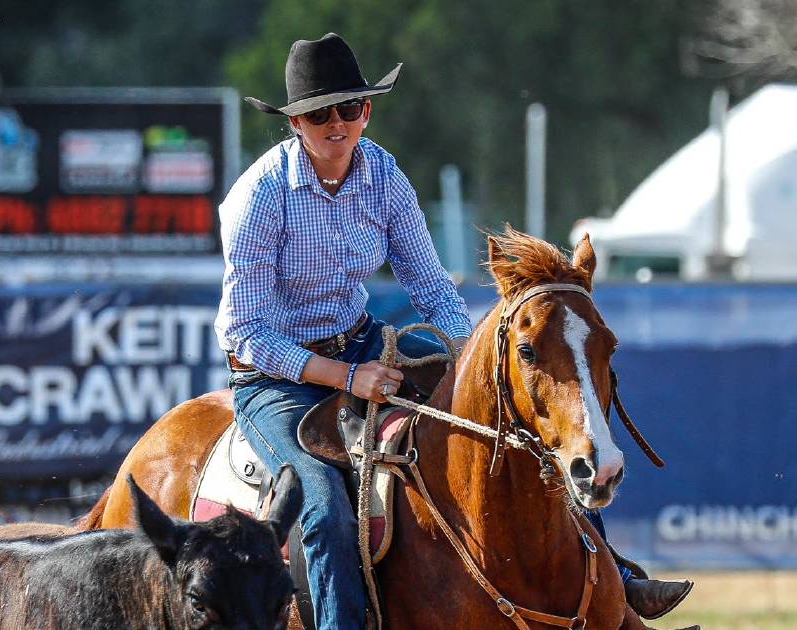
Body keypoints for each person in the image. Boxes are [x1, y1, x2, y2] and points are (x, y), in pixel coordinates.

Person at [214, 33, 689, 630]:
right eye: (318, 113)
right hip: (278, 380)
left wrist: (478, 358)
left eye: (349, 109)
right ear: (295, 123)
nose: (337, 124)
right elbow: (246, 331)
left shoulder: (382, 174)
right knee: (324, 507)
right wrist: (347, 377)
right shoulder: (258, 196)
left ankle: (612, 580)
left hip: (363, 343)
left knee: (519, 418)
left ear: (367, 110)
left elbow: (432, 286)